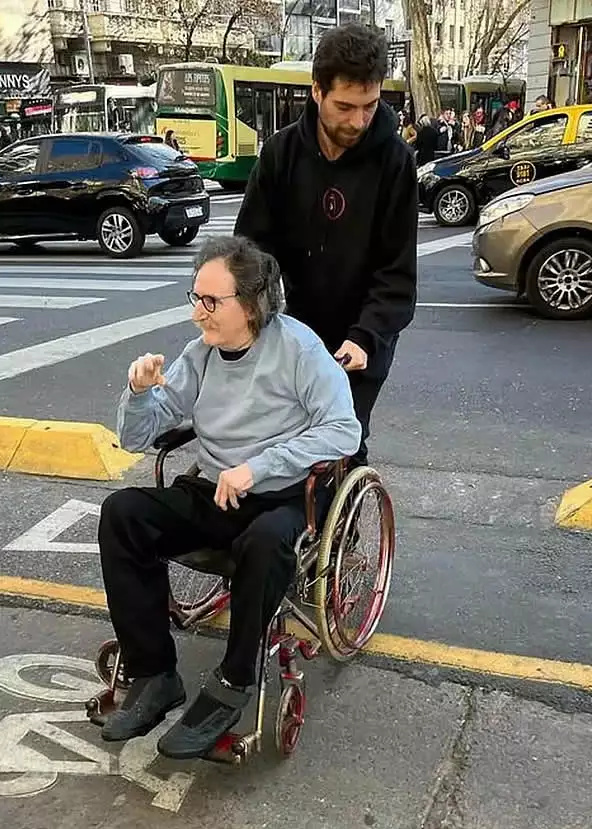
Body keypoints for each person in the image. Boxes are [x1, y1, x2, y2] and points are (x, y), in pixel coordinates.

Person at [98, 235, 361, 759]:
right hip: (215, 491)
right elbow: (136, 437)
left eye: (211, 301)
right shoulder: (200, 355)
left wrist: (259, 466)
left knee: (264, 543)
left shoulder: (299, 349)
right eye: (195, 298)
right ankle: (154, 673)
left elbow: (343, 431)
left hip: (283, 497)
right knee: (121, 514)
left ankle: (234, 679)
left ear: (253, 304)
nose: (199, 314)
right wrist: (140, 392)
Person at [234, 22, 417, 467]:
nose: (358, 121)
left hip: (358, 339)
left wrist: (366, 338)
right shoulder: (281, 153)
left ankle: (343, 532)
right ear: (317, 91)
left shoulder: (394, 162)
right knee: (276, 435)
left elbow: (396, 275)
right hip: (290, 331)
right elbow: (250, 249)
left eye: (370, 106)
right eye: (345, 106)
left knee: (339, 442)